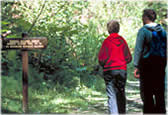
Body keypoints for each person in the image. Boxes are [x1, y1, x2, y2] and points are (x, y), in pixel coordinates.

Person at [134, 9, 167, 113]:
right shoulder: (163, 31)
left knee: (147, 93)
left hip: (147, 65)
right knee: (159, 92)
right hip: (160, 64)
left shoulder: (143, 31)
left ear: (145, 17)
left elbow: (138, 50)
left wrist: (136, 66)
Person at [98, 20, 132, 114]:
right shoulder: (122, 40)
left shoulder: (106, 41)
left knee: (111, 95)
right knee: (121, 93)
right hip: (121, 70)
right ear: (118, 29)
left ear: (108, 30)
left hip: (109, 70)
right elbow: (128, 58)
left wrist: (104, 64)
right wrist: (122, 61)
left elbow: (101, 59)